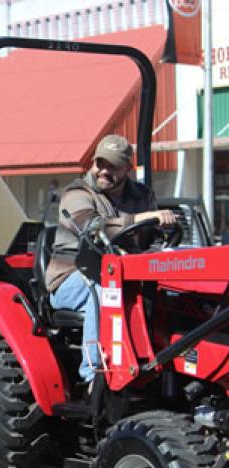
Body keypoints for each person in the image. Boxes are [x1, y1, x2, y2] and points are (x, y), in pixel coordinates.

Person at [45, 134, 177, 387]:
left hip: (126, 273)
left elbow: (154, 239)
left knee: (171, 295)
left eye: (113, 166)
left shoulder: (141, 195)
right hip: (72, 276)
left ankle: (164, 368)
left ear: (128, 168)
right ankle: (95, 377)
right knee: (106, 290)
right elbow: (94, 228)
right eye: (100, 163)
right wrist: (143, 218)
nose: (103, 171)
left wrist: (163, 243)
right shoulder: (77, 193)